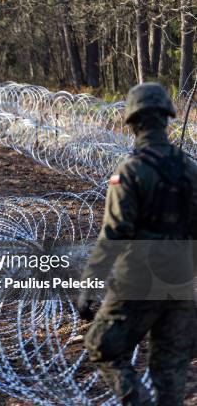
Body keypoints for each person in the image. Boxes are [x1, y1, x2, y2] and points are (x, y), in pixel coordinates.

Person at [78, 82, 197, 406]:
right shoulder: (191, 169)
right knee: (171, 369)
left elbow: (115, 233)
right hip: (181, 278)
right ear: (166, 119)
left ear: (132, 122)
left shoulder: (130, 170)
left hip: (139, 278)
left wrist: (91, 283)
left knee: (100, 346)